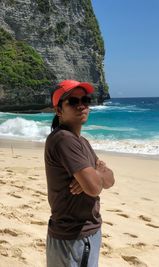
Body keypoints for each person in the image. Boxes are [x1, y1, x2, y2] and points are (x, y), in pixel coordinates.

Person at [44, 79, 115, 267]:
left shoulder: (81, 141)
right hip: (72, 236)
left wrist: (94, 174)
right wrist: (93, 176)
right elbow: (94, 187)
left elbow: (110, 180)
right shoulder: (63, 139)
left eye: (86, 100)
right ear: (59, 110)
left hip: (87, 232)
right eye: (73, 102)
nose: (81, 105)